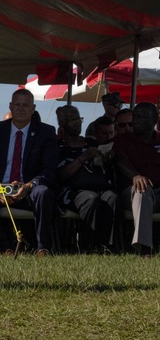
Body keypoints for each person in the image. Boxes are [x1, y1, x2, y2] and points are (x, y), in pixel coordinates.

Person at [0, 89, 59, 256]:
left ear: (33, 108)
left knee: (44, 192)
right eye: (17, 104)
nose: (21, 108)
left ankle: (42, 247)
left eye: (25, 105)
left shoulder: (46, 132)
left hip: (29, 189)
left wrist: (28, 186)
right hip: (0, 189)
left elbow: (49, 169)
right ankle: (2, 246)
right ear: (10, 106)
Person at [55, 105, 119, 252]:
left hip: (96, 185)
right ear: (62, 125)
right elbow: (61, 175)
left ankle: (106, 246)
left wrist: (106, 157)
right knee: (91, 199)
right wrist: (83, 158)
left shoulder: (91, 143)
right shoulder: (58, 147)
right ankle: (87, 246)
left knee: (112, 197)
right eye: (72, 120)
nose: (78, 122)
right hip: (70, 190)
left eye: (79, 118)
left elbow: (103, 168)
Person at [113, 102, 160, 257]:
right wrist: (136, 176)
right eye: (135, 117)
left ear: (154, 120)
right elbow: (121, 160)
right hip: (133, 192)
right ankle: (145, 248)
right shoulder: (123, 139)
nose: (135, 121)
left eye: (141, 117)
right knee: (142, 190)